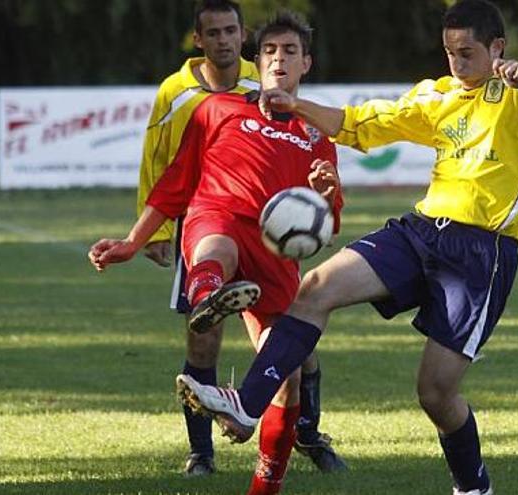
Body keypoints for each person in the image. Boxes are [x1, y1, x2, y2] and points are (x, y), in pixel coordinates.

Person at [174, 0, 518, 493]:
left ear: (498, 48)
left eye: (467, 53)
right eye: (449, 53)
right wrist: (295, 106)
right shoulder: (439, 96)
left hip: (481, 253)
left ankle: (473, 487)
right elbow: (358, 124)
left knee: (436, 394)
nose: (457, 63)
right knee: (315, 287)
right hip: (422, 230)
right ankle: (247, 404)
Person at [91, 11, 344, 494]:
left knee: (287, 374)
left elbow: (327, 226)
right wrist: (132, 242)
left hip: (274, 250)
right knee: (214, 245)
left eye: (290, 52)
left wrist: (325, 194)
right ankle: (208, 296)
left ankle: (264, 485)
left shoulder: (317, 134)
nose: (279, 60)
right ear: (258, 60)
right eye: (270, 52)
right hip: (218, 215)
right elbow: (174, 186)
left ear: (306, 63)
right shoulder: (217, 110)